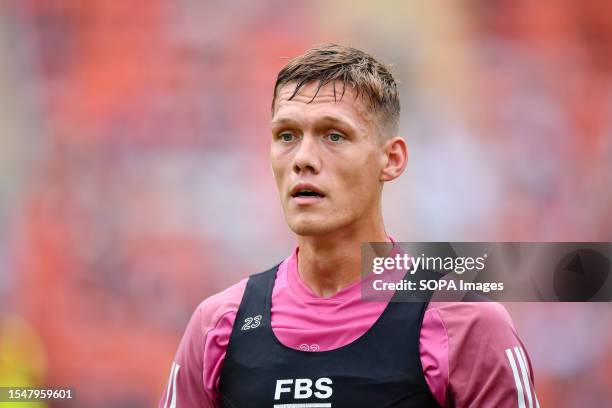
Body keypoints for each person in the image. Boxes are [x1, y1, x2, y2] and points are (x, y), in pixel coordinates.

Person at [159, 44, 540, 408]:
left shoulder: (467, 323)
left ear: (391, 159)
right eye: (286, 135)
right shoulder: (217, 326)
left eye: (334, 135)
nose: (303, 159)